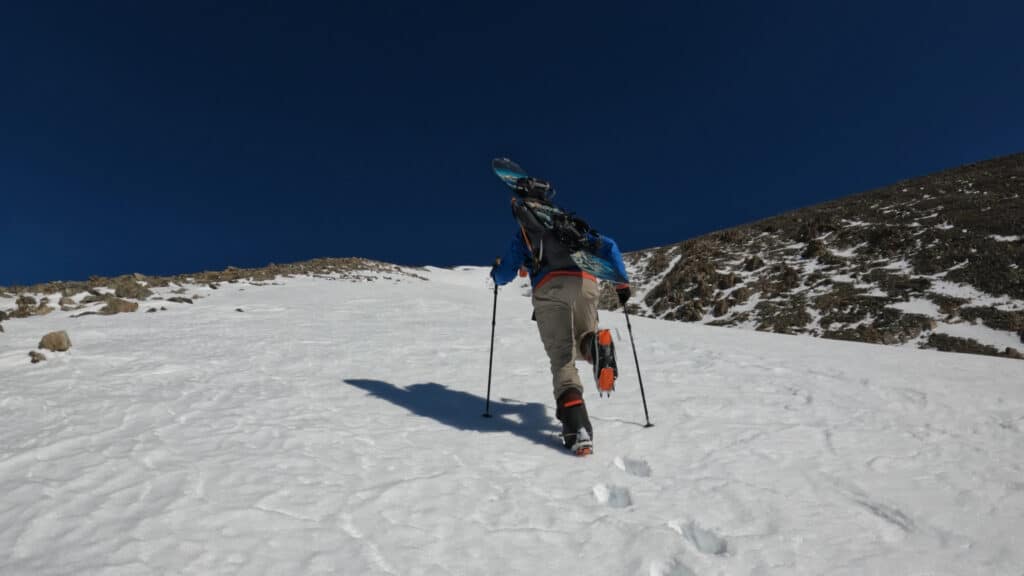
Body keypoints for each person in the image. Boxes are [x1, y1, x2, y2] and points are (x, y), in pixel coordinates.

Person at [490, 177, 631, 456]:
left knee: (562, 359)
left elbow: (506, 272)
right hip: (586, 282)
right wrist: (622, 283)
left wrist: (496, 273)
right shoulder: (568, 222)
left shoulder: (527, 230)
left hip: (550, 287)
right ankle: (597, 345)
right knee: (583, 337)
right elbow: (609, 245)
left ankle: (577, 430)